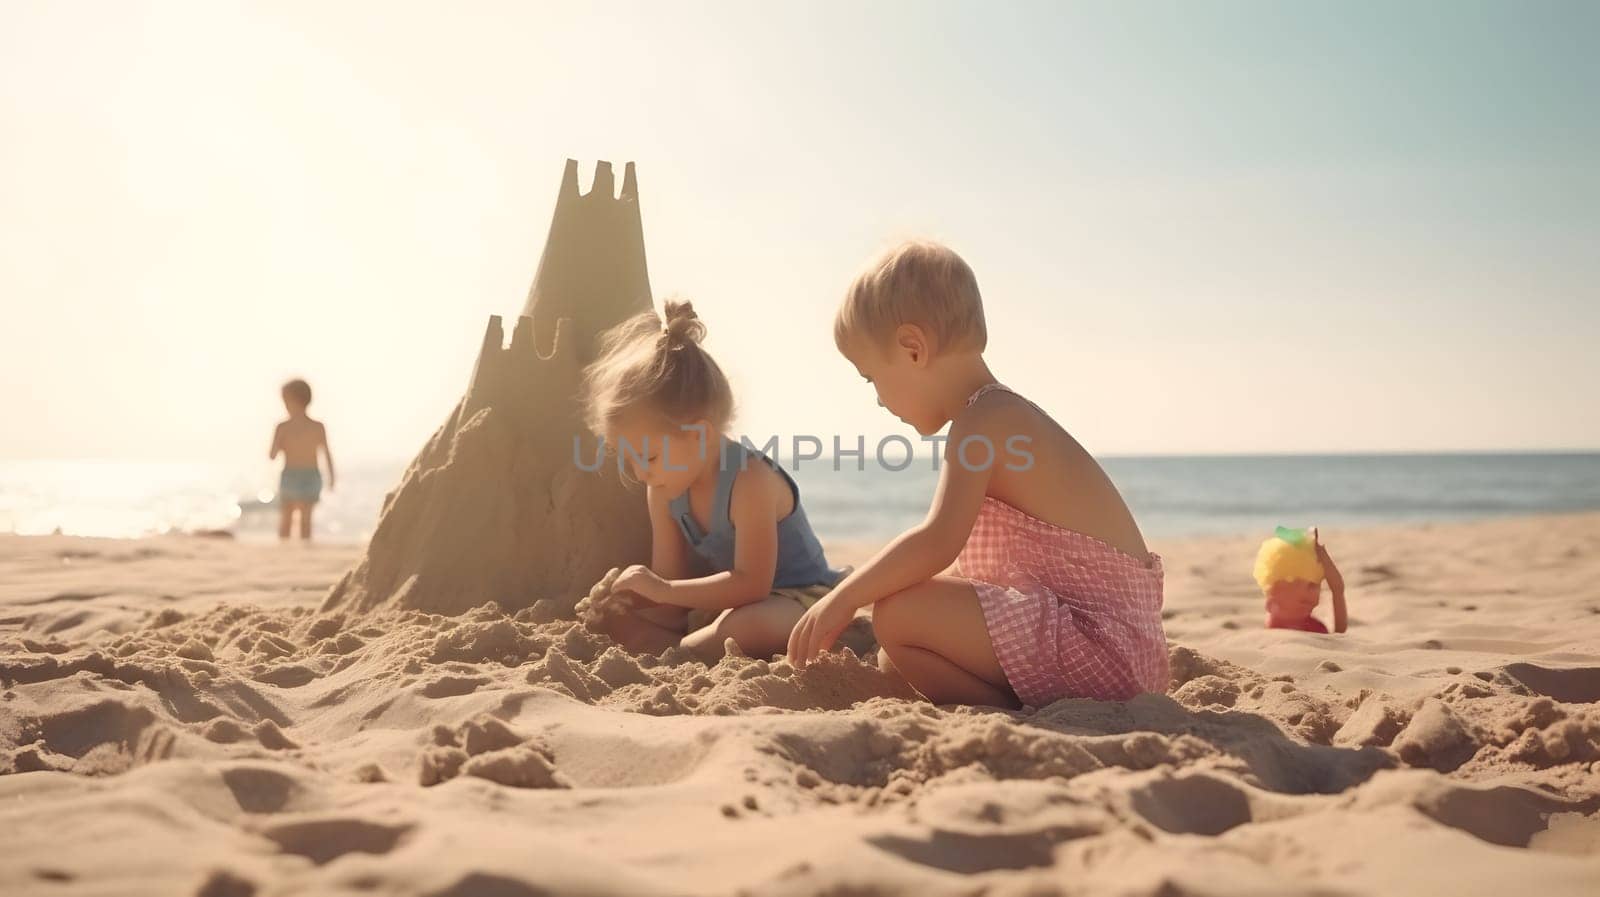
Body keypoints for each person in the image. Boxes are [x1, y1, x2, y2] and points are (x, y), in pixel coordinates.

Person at [788, 240, 1168, 709]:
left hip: (1103, 649)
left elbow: (935, 542)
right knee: (899, 655)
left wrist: (843, 597)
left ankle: (1013, 712)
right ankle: (1016, 702)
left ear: (912, 349)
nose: (879, 401)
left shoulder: (986, 420)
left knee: (899, 616)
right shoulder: (995, 413)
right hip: (1121, 651)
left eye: (872, 378)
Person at [583, 300, 842, 662]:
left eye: (649, 457)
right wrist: (638, 593)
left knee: (747, 626)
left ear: (699, 436)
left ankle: (680, 652)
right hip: (736, 603)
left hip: (802, 597)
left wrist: (664, 589)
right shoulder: (662, 488)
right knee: (626, 616)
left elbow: (752, 583)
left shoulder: (749, 481)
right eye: (629, 461)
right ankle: (682, 648)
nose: (641, 473)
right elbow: (669, 590)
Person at [269, 378, 334, 541]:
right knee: (304, 521)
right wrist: (332, 476)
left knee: (288, 520)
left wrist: (282, 444)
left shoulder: (283, 427)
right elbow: (326, 454)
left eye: (285, 401)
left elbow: (272, 455)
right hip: (309, 475)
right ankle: (301, 551)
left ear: (292, 401)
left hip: (294, 475)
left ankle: (289, 552)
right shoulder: (317, 426)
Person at [1255, 526, 1348, 633]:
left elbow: (1340, 630)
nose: (1315, 593)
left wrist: (1322, 555)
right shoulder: (1273, 617)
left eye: (1317, 584)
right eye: (1310, 585)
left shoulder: (1317, 629)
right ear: (1277, 590)